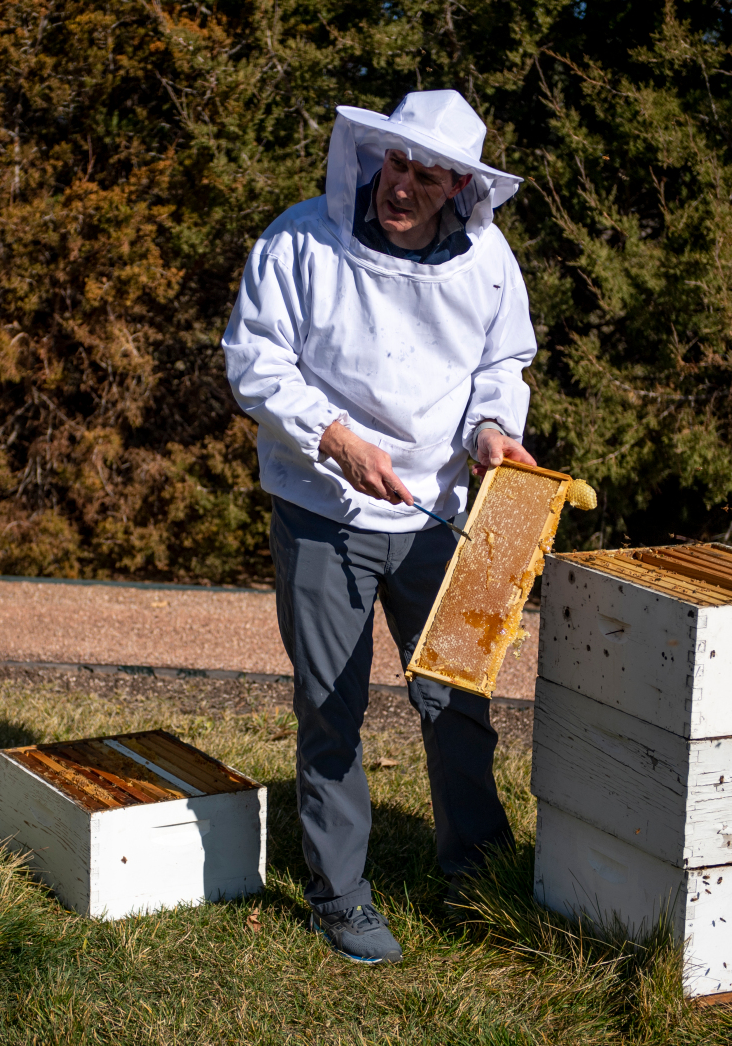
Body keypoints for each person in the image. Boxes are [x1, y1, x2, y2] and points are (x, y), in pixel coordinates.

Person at [221, 90, 539, 965]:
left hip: (443, 513)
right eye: (398, 163)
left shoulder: (488, 261)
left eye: (428, 176)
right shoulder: (300, 240)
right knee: (332, 707)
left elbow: (502, 363)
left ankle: (478, 873)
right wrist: (333, 438)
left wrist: (492, 431)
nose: (403, 186)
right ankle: (340, 895)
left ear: (459, 188)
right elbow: (254, 359)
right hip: (323, 505)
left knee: (457, 700)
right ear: (376, 156)